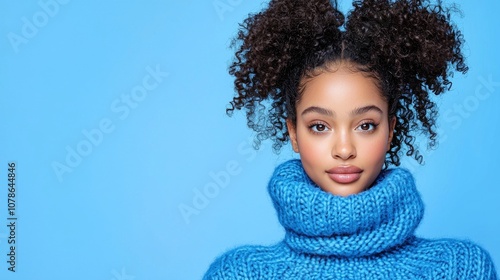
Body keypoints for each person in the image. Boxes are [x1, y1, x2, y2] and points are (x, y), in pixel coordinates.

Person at [203, 0, 498, 278]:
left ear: (390, 130)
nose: (344, 149)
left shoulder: (459, 269)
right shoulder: (240, 274)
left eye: (365, 125)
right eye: (320, 126)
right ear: (293, 133)